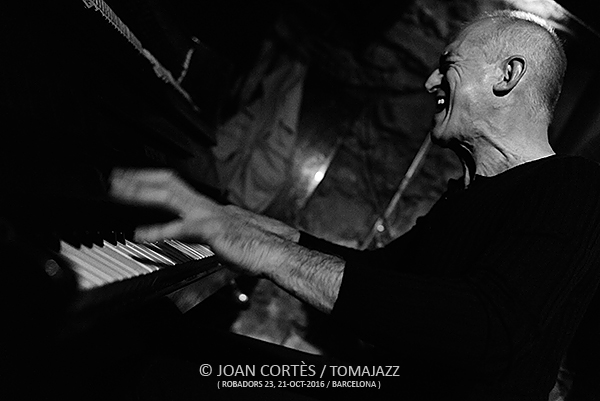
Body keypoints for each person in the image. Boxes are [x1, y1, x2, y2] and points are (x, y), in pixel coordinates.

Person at [110, 10, 600, 401]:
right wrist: (255, 228)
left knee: (161, 371)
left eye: (448, 65)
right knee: (157, 338)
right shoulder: (467, 196)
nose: (430, 82)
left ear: (507, 75)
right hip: (373, 382)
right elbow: (376, 273)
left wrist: (271, 254)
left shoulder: (573, 186)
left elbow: (483, 330)